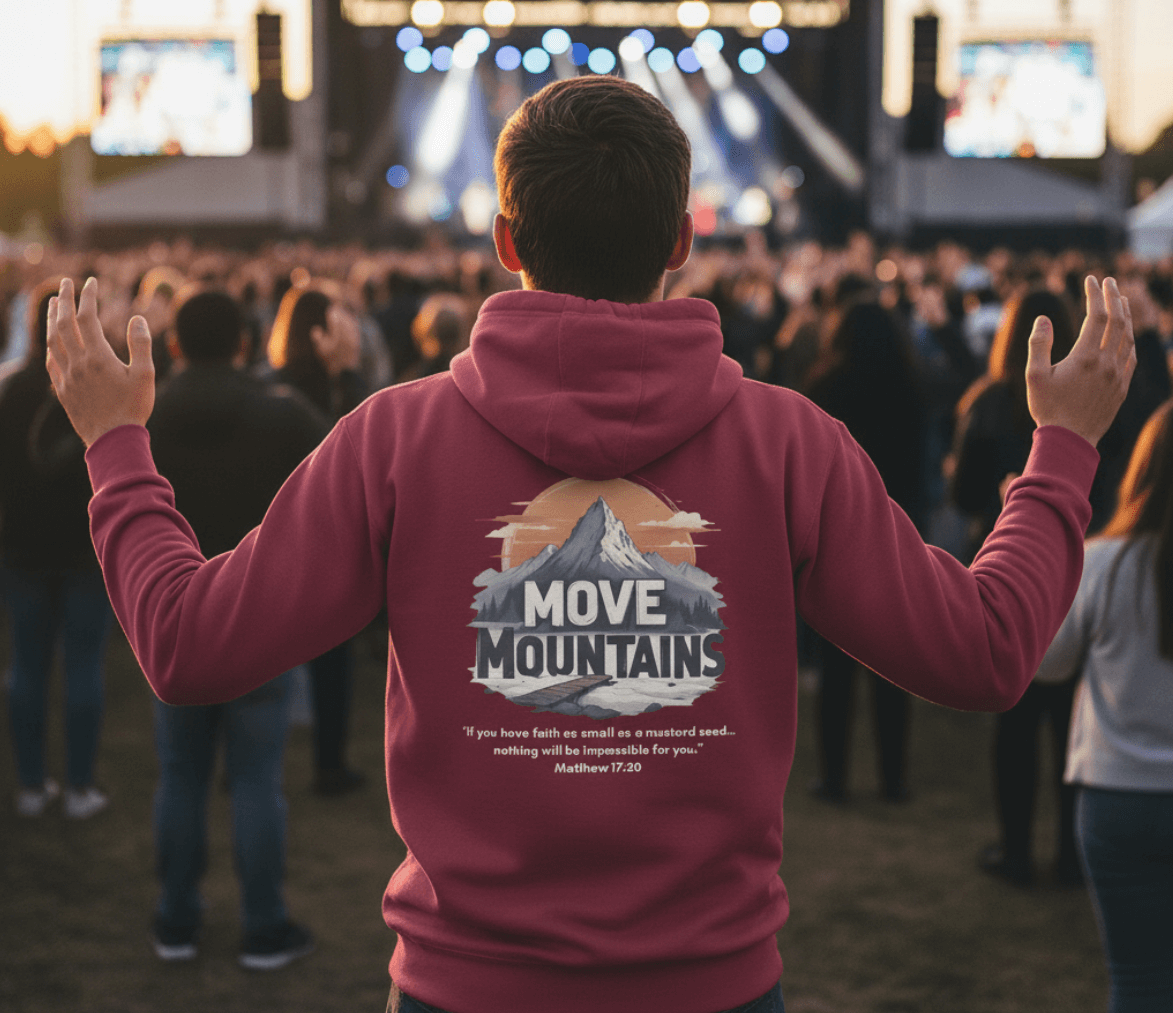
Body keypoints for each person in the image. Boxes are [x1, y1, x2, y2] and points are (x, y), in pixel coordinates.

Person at [46, 76, 1135, 1013]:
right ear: (682, 238)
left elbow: (188, 647)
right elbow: (988, 653)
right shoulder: (787, 445)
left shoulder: (395, 439)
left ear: (506, 240)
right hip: (712, 984)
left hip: (462, 987)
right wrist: (1064, 454)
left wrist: (117, 446)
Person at [145, 287, 327, 967]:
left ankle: (176, 919)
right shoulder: (278, 415)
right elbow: (342, 473)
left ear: (177, 344)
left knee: (180, 775)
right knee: (256, 780)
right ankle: (263, 924)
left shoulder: (150, 415)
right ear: (245, 344)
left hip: (174, 615)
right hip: (260, 617)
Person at [1036, 399, 1173, 1011]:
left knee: (1138, 979)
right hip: (1119, 795)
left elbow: (1047, 664)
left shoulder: (1103, 563)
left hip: (1116, 794)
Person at [950, 287, 1084, 886]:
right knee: (1072, 719)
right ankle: (1071, 854)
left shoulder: (987, 403)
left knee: (1017, 719)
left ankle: (1018, 849)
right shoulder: (1091, 409)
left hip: (1002, 564)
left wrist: (1005, 498)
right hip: (1079, 563)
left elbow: (961, 496)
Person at [805, 296, 928, 803]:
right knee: (893, 664)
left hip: (835, 538)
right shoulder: (910, 390)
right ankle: (893, 778)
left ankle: (834, 778)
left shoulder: (824, 388)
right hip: (896, 535)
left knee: (835, 668)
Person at [1, 278, 113, 820]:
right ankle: (79, 786)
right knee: (83, 664)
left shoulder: (8, 388)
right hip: (81, 547)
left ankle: (29, 784)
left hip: (22, 546)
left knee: (27, 664)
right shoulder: (93, 390)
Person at [267, 283, 369, 795]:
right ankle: (329, 764)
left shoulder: (273, 382)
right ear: (319, 333)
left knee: (267, 655)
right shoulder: (321, 391)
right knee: (332, 660)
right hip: (325, 544)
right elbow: (355, 450)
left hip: (278, 541)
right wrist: (348, 370)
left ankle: (248, 756)